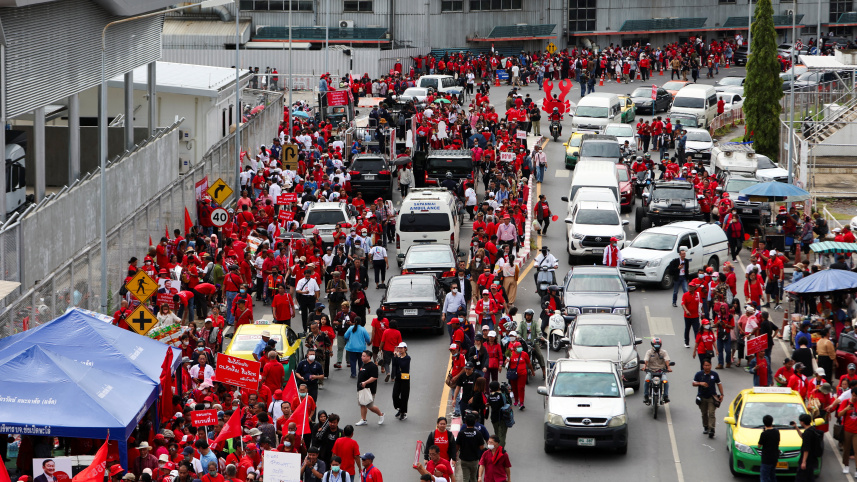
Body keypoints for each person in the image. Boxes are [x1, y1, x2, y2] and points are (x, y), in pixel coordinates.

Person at [692, 358, 723, 439]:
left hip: (712, 397)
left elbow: (719, 384)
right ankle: (706, 426)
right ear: (703, 366)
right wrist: (700, 383)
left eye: (708, 365)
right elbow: (693, 383)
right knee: (704, 413)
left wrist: (722, 394)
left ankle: (712, 429)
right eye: (705, 365)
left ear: (711, 365)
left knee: (712, 413)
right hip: (702, 397)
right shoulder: (699, 374)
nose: (707, 367)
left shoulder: (715, 374)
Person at [355, 350, 384, 426]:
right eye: (362, 356)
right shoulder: (363, 364)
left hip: (369, 389)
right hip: (361, 388)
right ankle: (363, 419)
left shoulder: (373, 366)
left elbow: (374, 377)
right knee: (362, 404)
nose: (362, 357)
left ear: (369, 357)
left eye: (364, 356)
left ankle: (381, 415)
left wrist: (365, 382)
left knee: (370, 405)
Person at [641, 337, 671, 405]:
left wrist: (668, 367)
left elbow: (667, 360)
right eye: (655, 345)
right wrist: (644, 367)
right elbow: (646, 360)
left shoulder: (664, 352)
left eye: (658, 345)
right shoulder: (649, 352)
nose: (657, 346)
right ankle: (646, 396)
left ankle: (665, 396)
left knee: (665, 381)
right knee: (646, 380)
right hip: (650, 371)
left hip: (661, 371)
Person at [456, 414, 486, 482]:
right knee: (473, 478)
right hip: (474, 460)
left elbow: (457, 446)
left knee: (465, 478)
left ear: (465, 422)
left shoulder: (461, 433)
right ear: (475, 422)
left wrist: (454, 456)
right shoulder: (478, 433)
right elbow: (482, 447)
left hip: (464, 459)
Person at [794, 413, 822, 480]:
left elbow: (806, 449)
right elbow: (802, 436)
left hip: (807, 459)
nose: (800, 422)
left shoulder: (807, 433)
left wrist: (804, 462)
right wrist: (796, 428)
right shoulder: (811, 429)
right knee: (810, 477)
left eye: (800, 421)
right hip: (812, 458)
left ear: (803, 422)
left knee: (800, 477)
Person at [757, 414, 780, 482]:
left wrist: (763, 432)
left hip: (766, 458)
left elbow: (759, 445)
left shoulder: (764, 434)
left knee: (764, 477)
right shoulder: (776, 431)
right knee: (772, 475)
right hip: (775, 457)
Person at [838, 391, 857, 475]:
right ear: (851, 394)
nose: (855, 398)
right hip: (847, 430)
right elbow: (839, 414)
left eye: (856, 396)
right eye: (853, 396)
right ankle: (846, 465)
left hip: (856, 431)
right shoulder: (845, 402)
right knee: (846, 449)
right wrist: (846, 409)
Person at [391, 342, 411, 420]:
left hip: (405, 378)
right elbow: (394, 365)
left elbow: (403, 365)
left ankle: (403, 412)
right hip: (398, 378)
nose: (399, 349)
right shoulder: (397, 357)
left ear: (405, 349)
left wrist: (398, 357)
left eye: (401, 348)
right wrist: (395, 356)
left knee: (404, 396)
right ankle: (400, 408)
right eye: (399, 348)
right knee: (395, 395)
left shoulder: (407, 358)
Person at [681, 283, 701, 348]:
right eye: (689, 286)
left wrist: (702, 313)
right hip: (687, 316)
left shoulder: (697, 295)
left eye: (691, 286)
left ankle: (697, 344)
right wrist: (686, 311)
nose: (690, 287)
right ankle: (686, 342)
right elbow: (683, 304)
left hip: (696, 316)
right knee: (687, 329)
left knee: (696, 330)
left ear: (694, 287)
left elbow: (700, 304)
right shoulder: (685, 295)